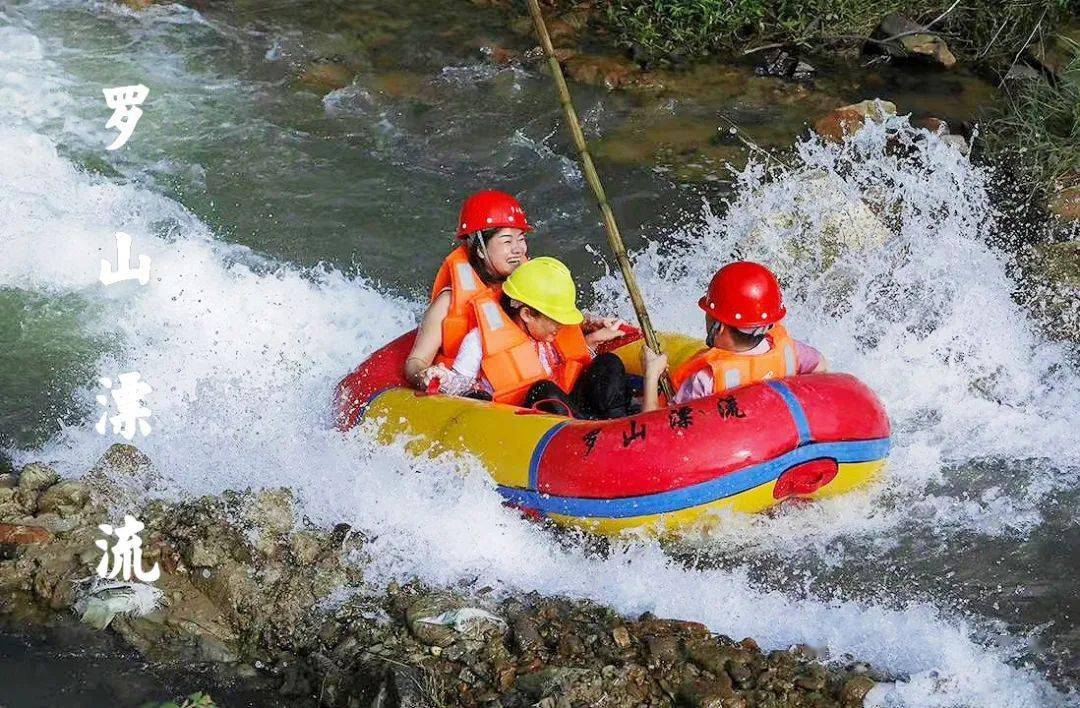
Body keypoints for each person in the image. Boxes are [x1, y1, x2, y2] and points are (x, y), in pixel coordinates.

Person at [435, 257, 630, 419]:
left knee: (608, 363)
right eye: (556, 320)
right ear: (527, 314)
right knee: (543, 389)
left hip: (570, 410)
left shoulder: (548, 332)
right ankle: (588, 434)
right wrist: (442, 379)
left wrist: (593, 339)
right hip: (523, 422)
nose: (561, 327)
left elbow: (564, 369)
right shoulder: (479, 341)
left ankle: (617, 425)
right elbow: (458, 388)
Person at [641, 261, 826, 412]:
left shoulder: (706, 380)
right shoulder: (790, 351)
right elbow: (820, 365)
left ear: (719, 327)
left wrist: (651, 374)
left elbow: (660, 428)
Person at [405, 190, 531, 390]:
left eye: (521, 238)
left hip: (528, 384)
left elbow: (550, 324)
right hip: (476, 395)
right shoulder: (448, 302)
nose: (519, 249)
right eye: (507, 241)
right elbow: (416, 361)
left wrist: (584, 324)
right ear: (480, 250)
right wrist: (425, 375)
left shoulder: (531, 286)